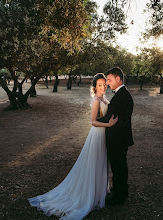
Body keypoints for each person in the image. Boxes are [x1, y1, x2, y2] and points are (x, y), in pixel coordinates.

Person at [28, 73, 117, 220]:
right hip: (97, 134)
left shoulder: (104, 97)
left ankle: (98, 191)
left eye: (104, 84)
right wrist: (109, 124)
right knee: (94, 163)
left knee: (100, 163)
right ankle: (88, 194)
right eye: (100, 85)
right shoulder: (96, 100)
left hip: (104, 135)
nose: (103, 87)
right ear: (95, 87)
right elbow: (93, 121)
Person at [98, 67, 134, 205]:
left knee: (118, 167)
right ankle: (120, 191)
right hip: (119, 137)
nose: (107, 82)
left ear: (118, 79)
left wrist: (94, 121)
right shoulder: (121, 94)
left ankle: (119, 196)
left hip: (118, 139)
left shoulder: (122, 97)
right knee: (119, 166)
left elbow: (110, 118)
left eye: (109, 79)